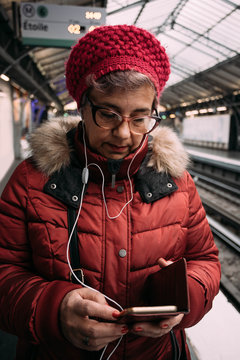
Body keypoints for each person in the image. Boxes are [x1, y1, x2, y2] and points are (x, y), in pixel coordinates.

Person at [0, 25, 221, 360]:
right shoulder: (32, 182)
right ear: (82, 106)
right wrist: (53, 309)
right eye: (108, 114)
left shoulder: (179, 183)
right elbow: (4, 271)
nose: (123, 133)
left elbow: (205, 261)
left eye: (139, 118)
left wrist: (185, 297)